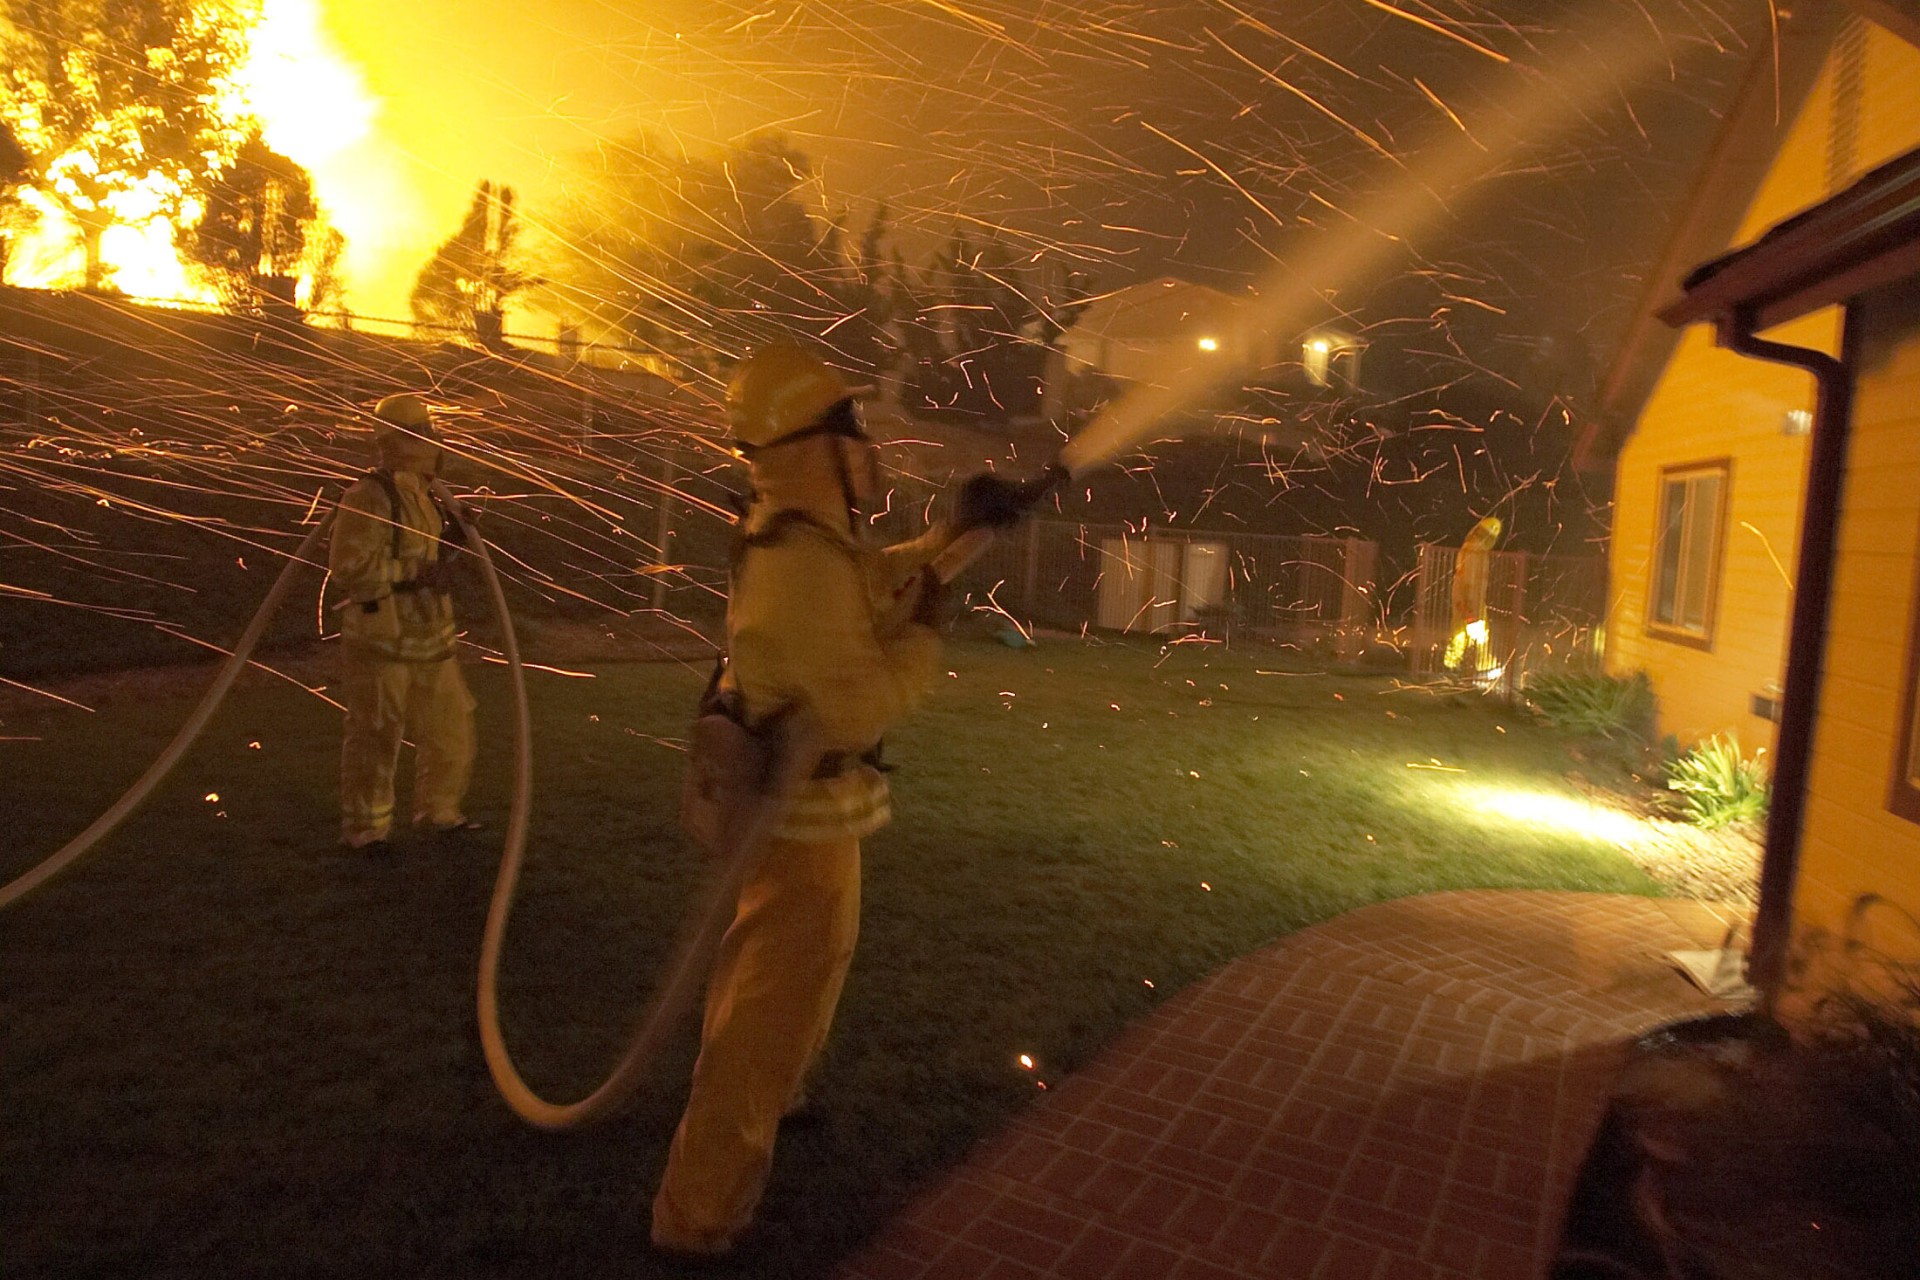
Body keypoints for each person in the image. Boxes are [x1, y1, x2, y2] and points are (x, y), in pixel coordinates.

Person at [651, 343, 1026, 1258]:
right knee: (766, 1010)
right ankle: (697, 1216)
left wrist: (952, 537)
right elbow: (858, 701)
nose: (867, 443)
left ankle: (781, 1096)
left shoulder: (801, 532)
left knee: (790, 978)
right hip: (797, 817)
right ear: (815, 443)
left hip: (800, 814)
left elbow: (868, 580)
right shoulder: (798, 556)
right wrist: (931, 627)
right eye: (850, 426)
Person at [329, 392, 480, 851]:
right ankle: (367, 830)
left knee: (452, 729)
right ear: (398, 439)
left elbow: (425, 550)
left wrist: (455, 537)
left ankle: (439, 812)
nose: (431, 439)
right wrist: (414, 574)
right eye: (421, 431)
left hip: (430, 637)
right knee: (376, 736)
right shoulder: (369, 496)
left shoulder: (424, 492)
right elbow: (350, 570)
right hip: (382, 640)